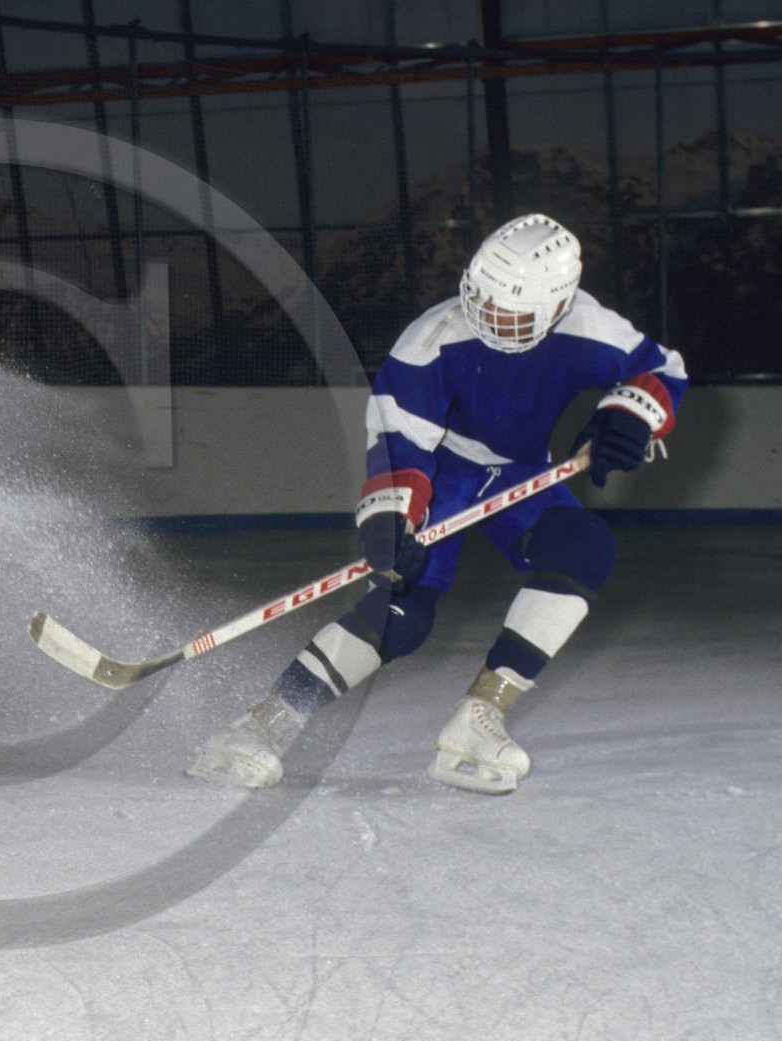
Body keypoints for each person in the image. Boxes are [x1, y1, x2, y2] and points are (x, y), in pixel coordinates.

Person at [189, 214, 686, 795]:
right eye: (482, 299)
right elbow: (400, 446)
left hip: (517, 474)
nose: (488, 319)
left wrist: (628, 416)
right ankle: (264, 723)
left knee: (584, 550)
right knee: (402, 615)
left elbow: (658, 369)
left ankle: (481, 717)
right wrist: (389, 521)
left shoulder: (588, 325)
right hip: (439, 472)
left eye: (511, 311)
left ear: (559, 305)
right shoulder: (430, 341)